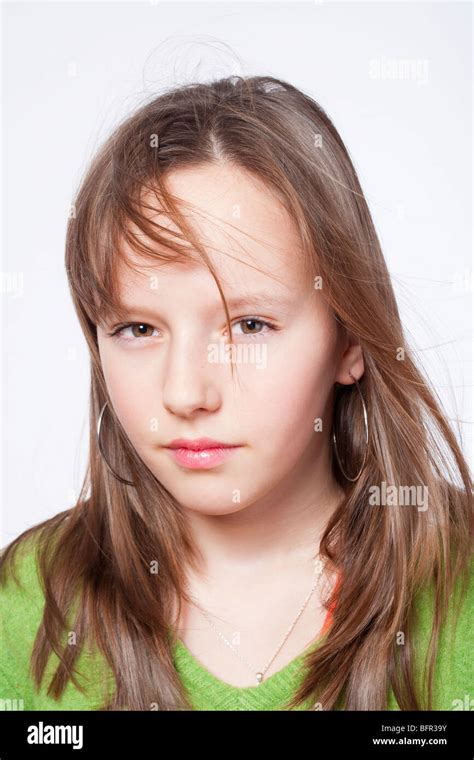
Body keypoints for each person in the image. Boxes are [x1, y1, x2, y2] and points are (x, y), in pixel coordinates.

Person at [1, 75, 472, 712]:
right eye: (138, 328)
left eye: (250, 326)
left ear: (351, 341)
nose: (185, 392)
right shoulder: (27, 605)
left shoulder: (459, 590)